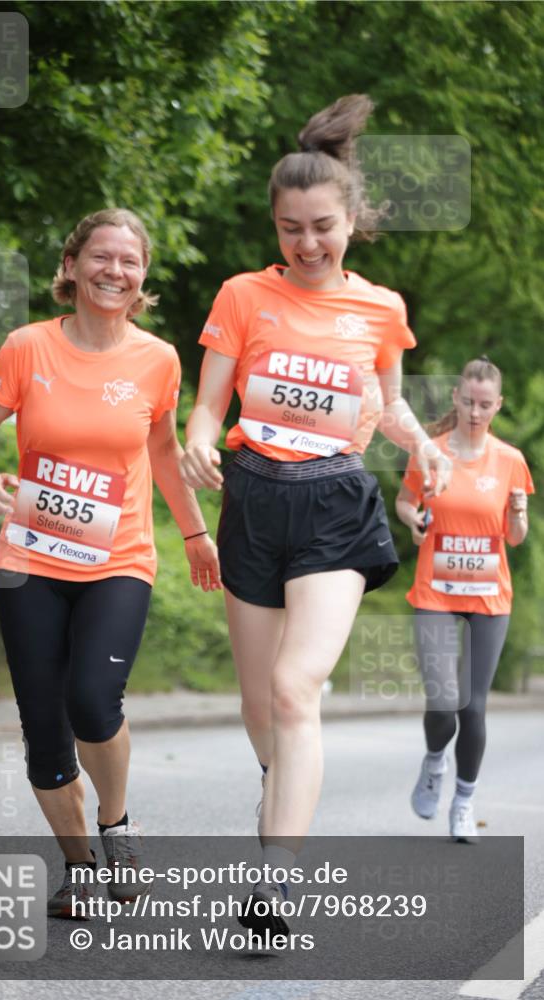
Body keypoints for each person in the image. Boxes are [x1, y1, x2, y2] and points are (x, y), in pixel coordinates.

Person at [180, 94, 451, 937]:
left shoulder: (380, 309)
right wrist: (196, 442)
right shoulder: (241, 297)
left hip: (335, 501)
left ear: (350, 221)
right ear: (273, 225)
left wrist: (424, 446)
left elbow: (390, 406)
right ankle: (282, 804)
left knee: (297, 690)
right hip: (253, 500)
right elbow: (206, 405)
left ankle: (275, 884)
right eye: (290, 229)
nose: (306, 244)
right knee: (260, 704)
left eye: (321, 227)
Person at [0, 208, 221, 918]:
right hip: (30, 557)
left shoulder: (157, 359)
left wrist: (195, 534)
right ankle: (77, 867)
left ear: (142, 278)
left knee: (92, 703)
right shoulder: (27, 347)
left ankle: (116, 823)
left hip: (118, 558)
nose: (115, 271)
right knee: (43, 726)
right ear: (70, 266)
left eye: (129, 262)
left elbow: (162, 451)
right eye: (101, 257)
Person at [396, 357, 533, 843]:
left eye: (485, 405)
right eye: (468, 402)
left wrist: (519, 515)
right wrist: (413, 519)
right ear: (456, 398)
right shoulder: (431, 452)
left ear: (498, 405)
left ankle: (465, 800)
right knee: (441, 700)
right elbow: (406, 500)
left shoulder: (511, 461)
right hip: (435, 589)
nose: (476, 412)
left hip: (489, 598)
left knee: (472, 708)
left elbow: (515, 537)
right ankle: (434, 761)